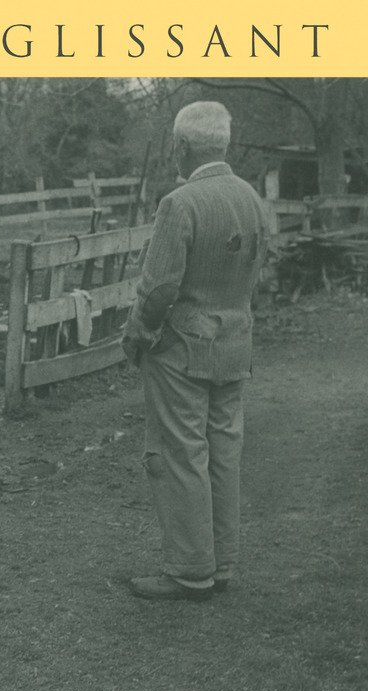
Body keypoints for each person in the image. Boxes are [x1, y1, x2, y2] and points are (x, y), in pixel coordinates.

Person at [122, 101, 268, 601]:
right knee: (223, 452)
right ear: (223, 143)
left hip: (182, 350)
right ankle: (221, 562)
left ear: (182, 146)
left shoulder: (179, 203)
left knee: (180, 453)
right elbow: (256, 270)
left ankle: (188, 570)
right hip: (235, 344)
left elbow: (159, 287)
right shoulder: (252, 198)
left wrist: (138, 336)